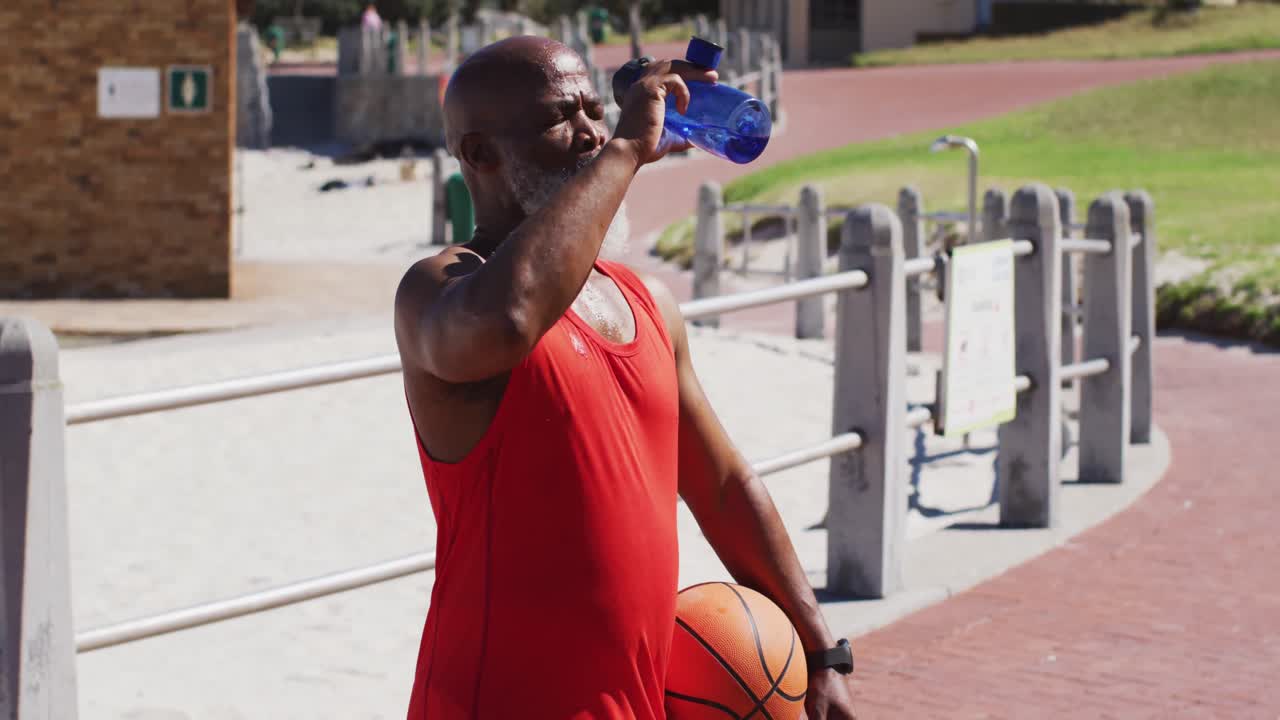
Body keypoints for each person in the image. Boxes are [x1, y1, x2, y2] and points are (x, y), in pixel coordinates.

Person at [394, 36, 858, 719]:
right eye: (561, 118)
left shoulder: (646, 303)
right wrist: (623, 152)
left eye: (593, 110)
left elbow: (725, 487)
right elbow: (510, 320)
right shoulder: (439, 290)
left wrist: (821, 654)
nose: (589, 132)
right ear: (479, 154)